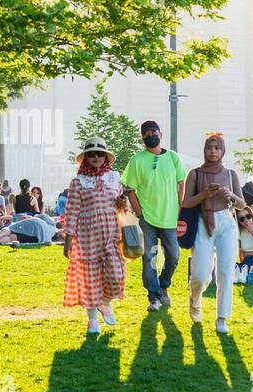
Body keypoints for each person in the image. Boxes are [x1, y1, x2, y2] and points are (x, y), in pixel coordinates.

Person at [121, 119, 187, 313]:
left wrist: (180, 206)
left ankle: (163, 285)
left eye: (153, 132)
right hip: (147, 219)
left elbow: (181, 181)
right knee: (149, 259)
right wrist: (139, 212)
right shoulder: (136, 160)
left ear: (161, 133)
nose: (151, 136)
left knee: (174, 256)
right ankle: (154, 297)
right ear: (142, 137)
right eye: (146, 134)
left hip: (170, 218)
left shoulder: (173, 158)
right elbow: (129, 188)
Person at [181, 133, 244, 333]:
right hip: (202, 222)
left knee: (226, 272)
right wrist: (204, 195)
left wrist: (231, 195)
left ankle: (222, 318)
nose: (213, 151)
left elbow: (242, 204)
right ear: (204, 150)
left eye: (217, 148)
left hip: (226, 222)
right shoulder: (195, 174)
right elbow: (185, 203)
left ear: (223, 151)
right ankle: (195, 299)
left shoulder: (231, 174)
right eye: (210, 147)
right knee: (200, 273)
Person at [63, 139, 125, 334]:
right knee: (89, 278)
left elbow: (121, 206)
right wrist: (68, 239)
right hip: (86, 236)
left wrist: (122, 203)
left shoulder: (114, 177)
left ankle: (105, 303)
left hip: (111, 233)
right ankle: (92, 321)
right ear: (85, 158)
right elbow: (72, 211)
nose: (96, 157)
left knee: (115, 274)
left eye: (99, 153)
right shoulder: (78, 182)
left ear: (106, 156)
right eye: (91, 154)